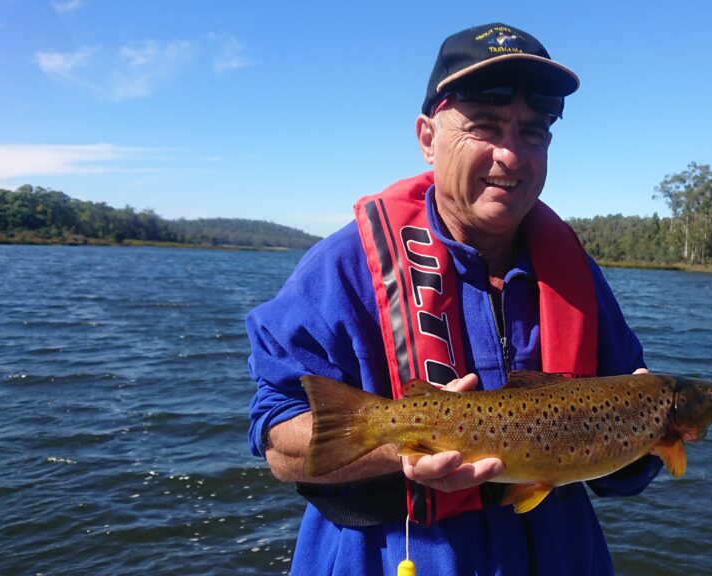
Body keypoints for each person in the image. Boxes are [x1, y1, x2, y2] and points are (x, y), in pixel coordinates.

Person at [245, 22, 663, 575]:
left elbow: (622, 475)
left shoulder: (576, 275)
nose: (511, 155)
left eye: (533, 132)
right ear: (427, 137)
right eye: (485, 127)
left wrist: (645, 436)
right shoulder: (342, 268)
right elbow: (279, 439)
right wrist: (409, 445)